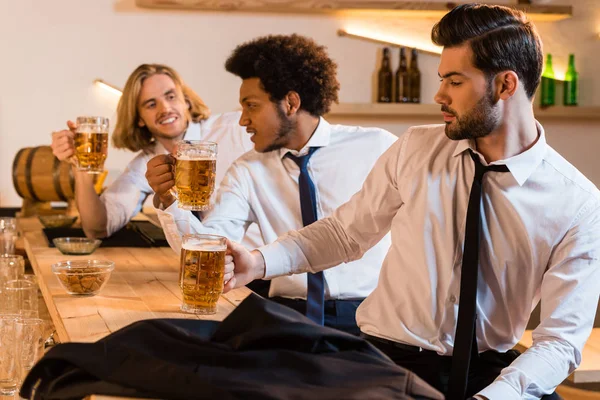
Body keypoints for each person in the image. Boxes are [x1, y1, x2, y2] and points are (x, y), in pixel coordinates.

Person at [223, 4, 600, 400]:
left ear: (506, 85)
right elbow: (344, 234)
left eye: (454, 81)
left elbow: (560, 341)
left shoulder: (578, 204)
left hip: (492, 376)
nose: (439, 95)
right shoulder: (415, 149)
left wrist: (495, 397)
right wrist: (260, 262)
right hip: (387, 363)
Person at [146, 34, 397, 335]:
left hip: (371, 316)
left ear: (291, 103)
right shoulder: (247, 169)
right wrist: (169, 199)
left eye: (251, 106)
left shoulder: (378, 147)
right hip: (286, 316)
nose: (242, 121)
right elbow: (211, 245)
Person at [50, 63, 254, 239]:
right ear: (139, 118)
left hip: (263, 270)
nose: (165, 108)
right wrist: (81, 169)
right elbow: (98, 228)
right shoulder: (147, 163)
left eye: (171, 96)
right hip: (208, 270)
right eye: (151, 104)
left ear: (186, 101)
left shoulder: (236, 129)